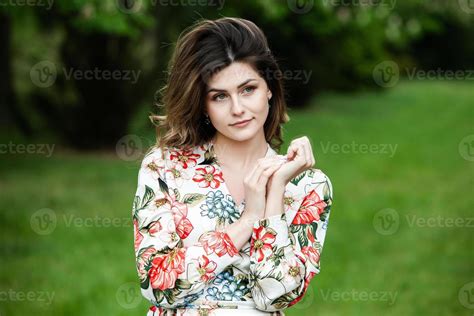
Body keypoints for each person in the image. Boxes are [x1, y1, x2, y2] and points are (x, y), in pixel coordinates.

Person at [132, 17, 334, 316]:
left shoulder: (307, 185)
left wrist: (274, 195)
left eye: (248, 89)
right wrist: (247, 219)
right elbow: (157, 284)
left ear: (270, 88)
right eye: (220, 96)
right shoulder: (165, 167)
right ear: (203, 104)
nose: (237, 108)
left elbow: (275, 297)